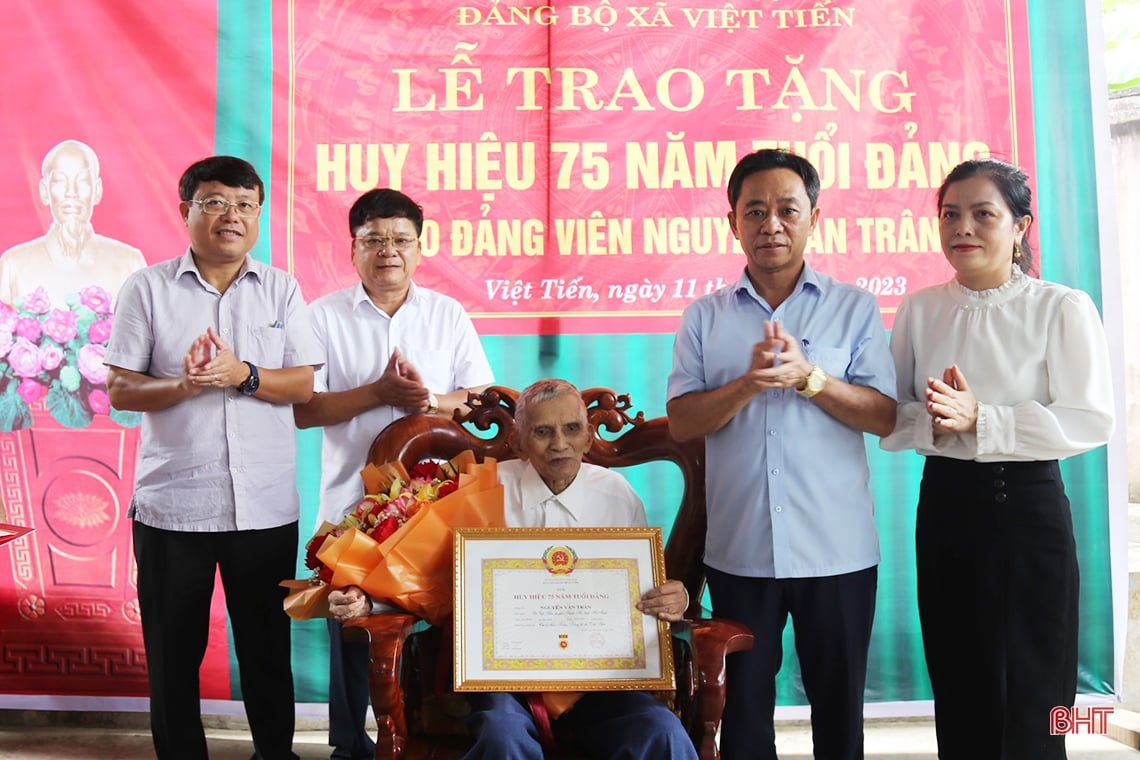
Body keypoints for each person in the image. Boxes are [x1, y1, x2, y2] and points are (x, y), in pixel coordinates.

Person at [665, 148, 897, 760]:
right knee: (742, 721)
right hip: (742, 552)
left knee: (839, 714)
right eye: (756, 210)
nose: (772, 224)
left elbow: (884, 414)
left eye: (787, 210)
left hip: (837, 551)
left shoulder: (855, 307)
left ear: (814, 217)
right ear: (732, 222)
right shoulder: (705, 317)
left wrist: (809, 378)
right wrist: (747, 384)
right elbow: (684, 421)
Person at [329, 378, 698, 760]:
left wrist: (678, 597)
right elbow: (423, 579)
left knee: (661, 731)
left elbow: (644, 592)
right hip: (506, 681)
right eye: (542, 432)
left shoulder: (618, 494)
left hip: (601, 680)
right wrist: (368, 600)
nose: (559, 443)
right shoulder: (485, 491)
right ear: (519, 442)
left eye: (571, 429)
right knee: (501, 736)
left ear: (589, 437)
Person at [880, 158, 1114, 759]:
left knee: (1039, 681)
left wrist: (984, 418)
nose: (964, 227)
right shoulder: (920, 309)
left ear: (1020, 226)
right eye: (951, 214)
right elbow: (900, 414)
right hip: (947, 507)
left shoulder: (1061, 306)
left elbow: (1090, 418)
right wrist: (941, 420)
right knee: (961, 677)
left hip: (1029, 507)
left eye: (984, 214)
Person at [105, 155, 323, 760]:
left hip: (264, 508)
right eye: (215, 202)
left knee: (265, 650)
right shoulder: (147, 288)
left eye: (245, 205)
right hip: (175, 508)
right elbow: (121, 390)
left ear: (258, 217)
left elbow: (303, 385)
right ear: (186, 211)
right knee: (174, 654)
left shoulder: (281, 287)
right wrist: (186, 384)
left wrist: (243, 374)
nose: (232, 216)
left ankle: (274, 754)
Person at [293, 187, 494, 760]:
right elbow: (306, 409)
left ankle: (424, 741)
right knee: (354, 632)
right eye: (374, 240)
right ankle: (349, 747)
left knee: (435, 639)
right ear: (352, 249)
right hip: (352, 509)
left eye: (401, 240)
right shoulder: (323, 316)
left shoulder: (446, 315)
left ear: (420, 247)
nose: (388, 251)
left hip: (437, 507)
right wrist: (378, 393)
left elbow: (482, 400)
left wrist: (426, 400)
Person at [0, 139, 145, 307]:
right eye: (60, 181)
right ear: (44, 191)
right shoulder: (13, 265)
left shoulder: (129, 263)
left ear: (97, 190)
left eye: (82, 181)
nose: (71, 192)